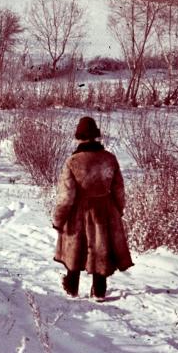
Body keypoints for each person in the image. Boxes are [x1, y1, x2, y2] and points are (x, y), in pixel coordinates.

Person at [52, 116, 133, 300]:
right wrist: (118, 210)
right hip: (105, 210)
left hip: (79, 212)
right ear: (95, 136)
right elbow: (119, 188)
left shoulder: (72, 162)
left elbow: (66, 196)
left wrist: (59, 219)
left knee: (76, 249)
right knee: (101, 249)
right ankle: (99, 291)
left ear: (79, 137)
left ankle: (72, 288)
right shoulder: (109, 159)